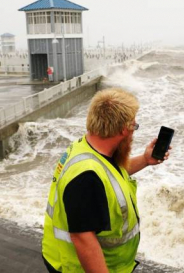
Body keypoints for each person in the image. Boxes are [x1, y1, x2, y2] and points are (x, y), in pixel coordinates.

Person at [42, 88, 171, 272]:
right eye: (134, 126)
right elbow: (83, 239)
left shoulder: (86, 146)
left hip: (59, 254)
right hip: (76, 267)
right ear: (123, 130)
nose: (134, 131)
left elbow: (111, 174)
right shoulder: (86, 178)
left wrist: (144, 160)